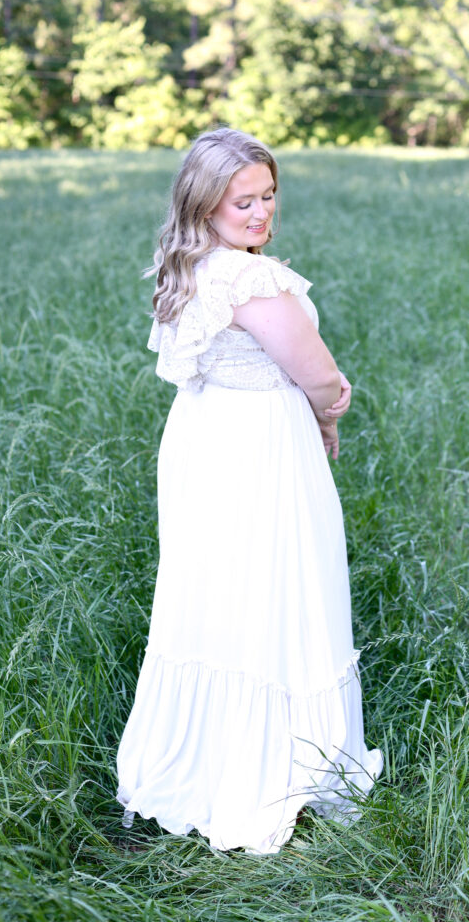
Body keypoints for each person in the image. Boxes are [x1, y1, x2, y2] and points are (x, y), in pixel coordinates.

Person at [116, 127, 382, 854]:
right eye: (243, 202)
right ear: (205, 203)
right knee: (278, 590)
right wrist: (330, 412)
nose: (261, 213)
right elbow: (318, 372)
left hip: (205, 442)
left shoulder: (192, 265)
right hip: (258, 451)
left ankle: (210, 752)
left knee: (218, 595)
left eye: (268, 196)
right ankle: (272, 767)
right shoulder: (250, 279)